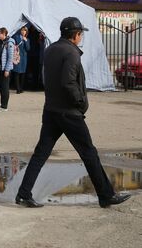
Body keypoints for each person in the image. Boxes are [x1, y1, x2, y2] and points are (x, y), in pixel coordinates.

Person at [15, 17, 131, 208]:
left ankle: (23, 194)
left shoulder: (51, 49)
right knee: (89, 154)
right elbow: (68, 82)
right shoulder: (71, 53)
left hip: (51, 110)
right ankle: (106, 195)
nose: (81, 37)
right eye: (81, 34)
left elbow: (48, 78)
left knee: (40, 154)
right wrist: (80, 103)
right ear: (76, 35)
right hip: (69, 113)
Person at [0, 27, 15, 112]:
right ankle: (2, 104)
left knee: (5, 87)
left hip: (5, 69)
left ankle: (4, 106)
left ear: (4, 34)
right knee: (1, 87)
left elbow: (10, 57)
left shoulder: (9, 42)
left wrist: (7, 69)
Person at [11, 26, 30, 94]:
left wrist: (25, 41)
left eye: (24, 30)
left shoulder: (27, 39)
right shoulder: (16, 37)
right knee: (16, 72)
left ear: (26, 32)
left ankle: (21, 88)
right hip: (17, 56)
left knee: (23, 73)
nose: (23, 31)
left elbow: (28, 49)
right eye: (22, 30)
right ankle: (17, 88)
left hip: (24, 58)